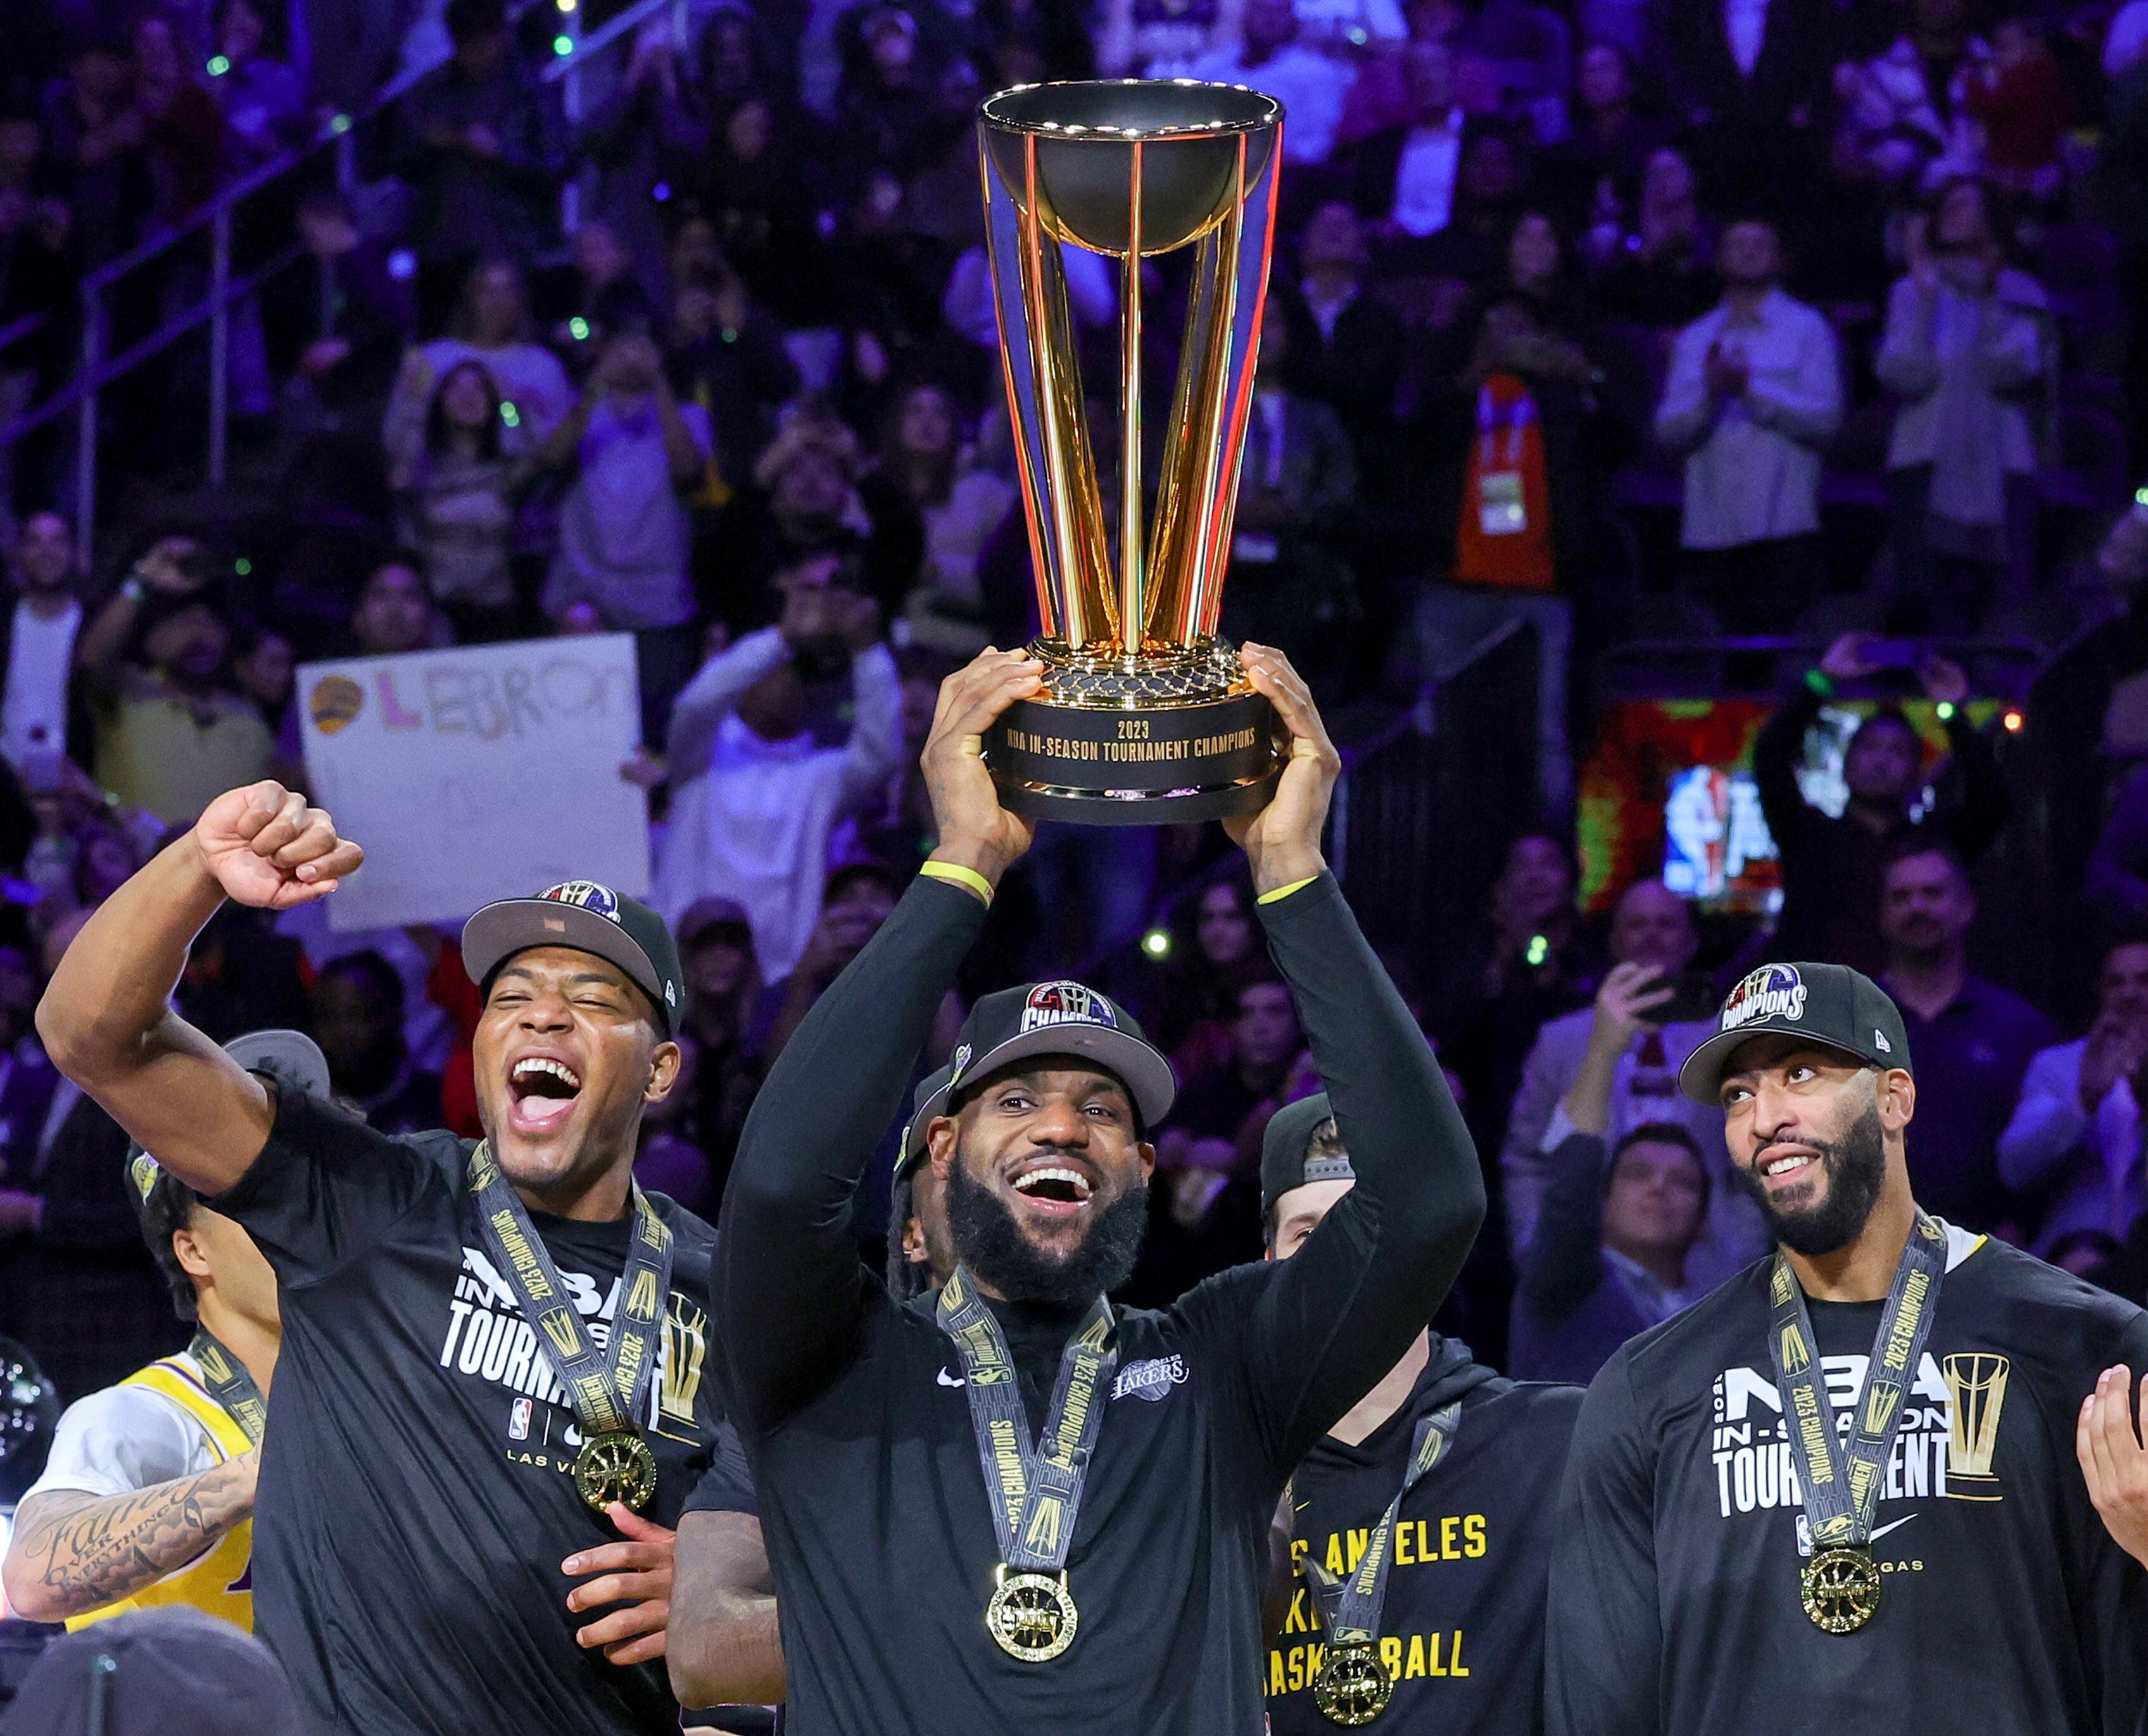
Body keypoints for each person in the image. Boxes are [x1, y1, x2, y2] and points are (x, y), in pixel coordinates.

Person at [671, 642, 1486, 1733]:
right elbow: (777, 1188)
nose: (1063, 1122)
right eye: (1017, 1102)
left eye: (1103, 1111)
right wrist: (961, 862)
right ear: (941, 1149)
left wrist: (1290, 868)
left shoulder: (1222, 1364)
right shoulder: (830, 1361)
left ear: (1142, 1171)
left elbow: (1428, 1201)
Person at [35, 789, 738, 1735]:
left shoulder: (728, 1285)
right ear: (480, 1039)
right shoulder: (370, 1200)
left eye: (593, 1000)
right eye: (514, 997)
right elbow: (93, 1034)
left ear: (660, 1072)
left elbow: (858, 1530)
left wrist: (734, 1578)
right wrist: (199, 865)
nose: (542, 1018)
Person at [1546, 961, 2148, 1735]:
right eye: (1738, 1094)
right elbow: (1596, 1705)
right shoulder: (1647, 1387)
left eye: (1800, 1073)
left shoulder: (2085, 1350)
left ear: (1894, 1097)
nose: (1764, 1117)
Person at [1263, 1094, 1582, 1728]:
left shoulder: (1558, 1443)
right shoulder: (1219, 1472)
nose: (1338, 1258)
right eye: (1308, 1233)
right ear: (1267, 1263)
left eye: (1366, 1226)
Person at [1, 1031, 328, 1632]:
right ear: (193, 1249)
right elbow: (33, 1575)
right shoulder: (146, 1416)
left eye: (307, 1189)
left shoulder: (378, 1387)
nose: (300, 1217)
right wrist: (249, 1476)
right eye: (259, 1201)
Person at [1505, 885, 1766, 1291]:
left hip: (1708, 1273)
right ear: (1614, 940)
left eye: (1666, 924)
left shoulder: (1729, 1044)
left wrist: (1740, 1260)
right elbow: (1524, 1158)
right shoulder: (1561, 1041)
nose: (1651, 935)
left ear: (1691, 941)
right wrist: (1535, 1246)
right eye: (1637, 924)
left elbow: (1752, 1166)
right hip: (1580, 1268)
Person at [650, 561, 900, 979]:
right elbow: (696, 705)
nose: (785, 682)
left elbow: (882, 752)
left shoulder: (821, 777)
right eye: (772, 670)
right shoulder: (701, 758)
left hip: (777, 981)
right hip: (680, 973)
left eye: (797, 674)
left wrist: (867, 649)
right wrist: (782, 636)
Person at [1753, 633, 2008, 975]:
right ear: (1846, 766)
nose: (1881, 761)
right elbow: (1771, 757)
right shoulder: (1808, 836)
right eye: (1870, 748)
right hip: (1819, 1013)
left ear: (1917, 774)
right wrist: (1823, 680)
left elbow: (1991, 799)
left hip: (1912, 1015)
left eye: (1897, 752)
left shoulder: (1934, 847)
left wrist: (1952, 712)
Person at [1655, 218, 1843, 640]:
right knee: (1718, 673)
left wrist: (1751, 392)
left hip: (1785, 527)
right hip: (1710, 530)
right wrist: (1710, 394)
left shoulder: (1807, 329)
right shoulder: (1695, 338)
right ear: (1719, 258)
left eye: (1761, 243)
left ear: (1780, 259)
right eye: (1737, 243)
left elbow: (1825, 419)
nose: (1749, 250)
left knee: (1778, 661)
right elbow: (1668, 429)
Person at [1874, 177, 2047, 635]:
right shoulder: (1911, 292)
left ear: (1992, 220)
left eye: (1965, 204)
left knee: (1995, 599)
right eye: (1945, 205)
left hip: (2003, 464)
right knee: (1922, 595)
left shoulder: (2020, 292)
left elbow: (2010, 370)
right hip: (1923, 459)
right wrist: (1928, 305)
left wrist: (1989, 301)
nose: (1950, 212)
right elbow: (1904, 374)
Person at [540, 330, 714, 740]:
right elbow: (549, 460)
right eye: (621, 345)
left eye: (643, 345)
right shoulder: (574, 412)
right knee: (578, 726)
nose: (632, 356)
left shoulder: (689, 415)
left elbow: (689, 469)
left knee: (657, 730)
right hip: (583, 597)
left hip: (658, 602)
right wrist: (597, 383)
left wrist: (658, 382)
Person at [1874, 841, 2050, 1234]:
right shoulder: (1848, 1020)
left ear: (1968, 906)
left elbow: (2050, 1149)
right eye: (1901, 897)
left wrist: (2016, 1232)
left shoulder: (2019, 1027)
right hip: (1866, 1259)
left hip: (1997, 1257)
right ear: (1883, 915)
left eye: (1933, 893)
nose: (1917, 907)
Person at [392, 0, 570, 336]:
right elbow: (401, 165)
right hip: (441, 248)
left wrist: (500, 155)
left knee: (512, 345)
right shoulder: (431, 91)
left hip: (513, 244)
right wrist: (433, 145)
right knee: (441, 351)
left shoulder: (532, 92)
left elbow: (560, 164)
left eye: (482, 43)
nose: (476, 55)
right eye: (465, 45)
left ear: (500, 36)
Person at [75, 540, 275, 830]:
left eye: (210, 623)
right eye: (184, 620)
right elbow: (92, 657)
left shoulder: (249, 718)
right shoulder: (125, 694)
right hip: (141, 869)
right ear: (150, 635)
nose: (200, 634)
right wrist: (142, 580)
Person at [1511, 1103, 1714, 1383]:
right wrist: (1601, 1057)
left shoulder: (1721, 1311)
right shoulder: (1569, 1280)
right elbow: (1573, 1185)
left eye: (1682, 1181)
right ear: (1602, 1202)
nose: (1659, 1187)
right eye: (1638, 1174)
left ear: (1703, 1218)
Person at [1998, 938, 2148, 1255]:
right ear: (2101, 992)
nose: (2130, 993)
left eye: (2144, 980)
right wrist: (2084, 1101)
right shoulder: (2058, 1066)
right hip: (2071, 1272)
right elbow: (2015, 1169)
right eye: (2116, 982)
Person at [384, 357, 536, 643]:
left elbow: (536, 456)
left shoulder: (507, 472)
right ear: (439, 400)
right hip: (436, 616)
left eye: (479, 389)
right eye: (455, 389)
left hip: (498, 614)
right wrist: (415, 401)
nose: (468, 396)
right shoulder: (422, 472)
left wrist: (509, 403)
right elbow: (399, 468)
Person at [1, 510, 87, 775]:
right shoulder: (5, 620)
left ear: (73, 551)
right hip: (8, 782)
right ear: (20, 552)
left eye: (57, 541)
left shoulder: (92, 625)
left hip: (77, 783)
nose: (46, 551)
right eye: (35, 541)